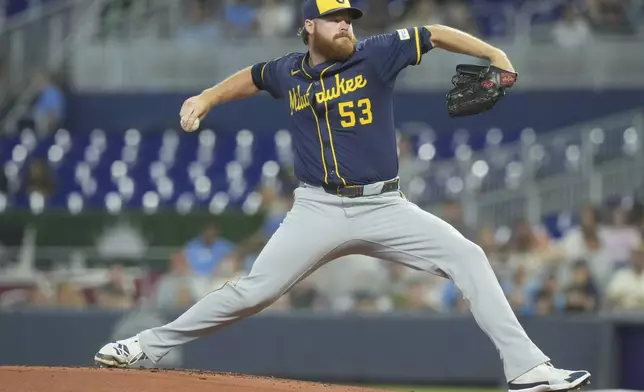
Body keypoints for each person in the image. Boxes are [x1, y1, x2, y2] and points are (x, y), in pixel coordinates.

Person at [94, 1, 591, 391]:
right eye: (333, 19)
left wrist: (495, 56)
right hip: (318, 209)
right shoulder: (288, 71)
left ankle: (528, 370)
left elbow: (435, 34)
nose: (345, 26)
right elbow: (250, 77)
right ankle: (146, 347)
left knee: (469, 256)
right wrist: (205, 98)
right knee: (254, 291)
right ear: (309, 26)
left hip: (384, 205)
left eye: (348, 18)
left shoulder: (377, 53)